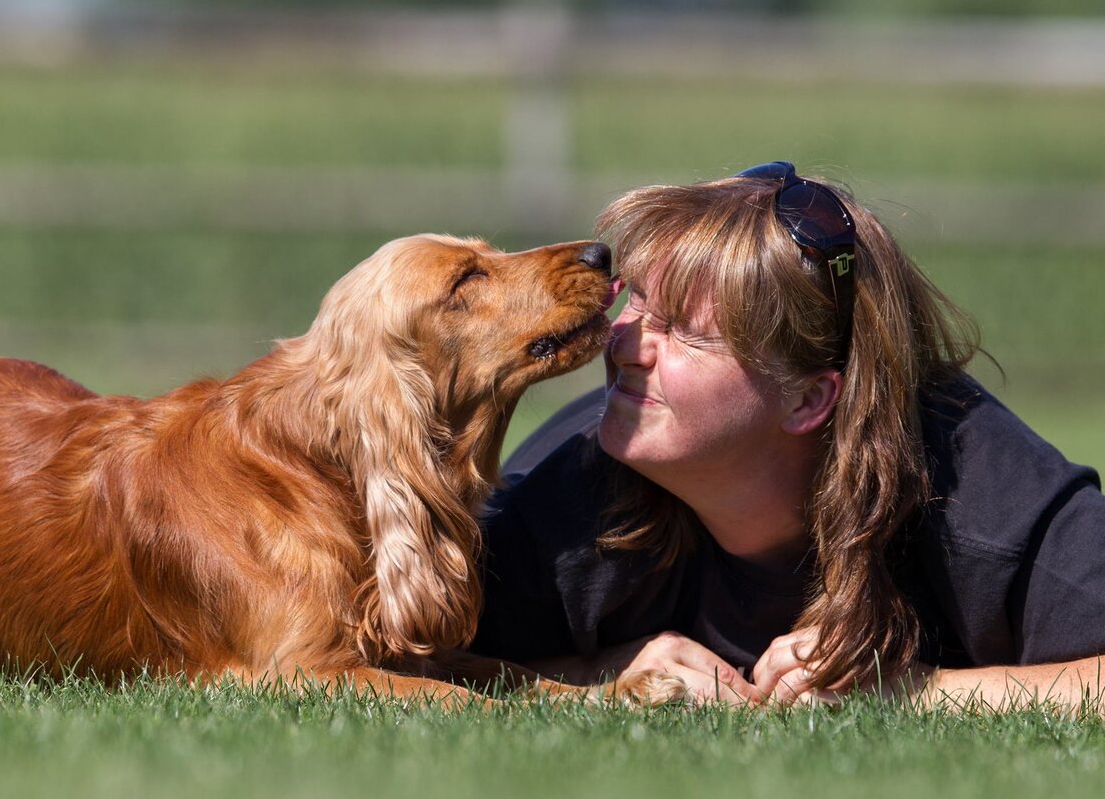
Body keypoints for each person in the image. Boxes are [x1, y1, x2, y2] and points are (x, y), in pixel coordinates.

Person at [469, 162, 1105, 711]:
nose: (624, 343)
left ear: (809, 398)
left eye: (683, 330)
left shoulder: (977, 488)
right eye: (635, 302)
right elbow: (407, 669)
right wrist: (605, 673)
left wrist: (913, 690)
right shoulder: (561, 510)